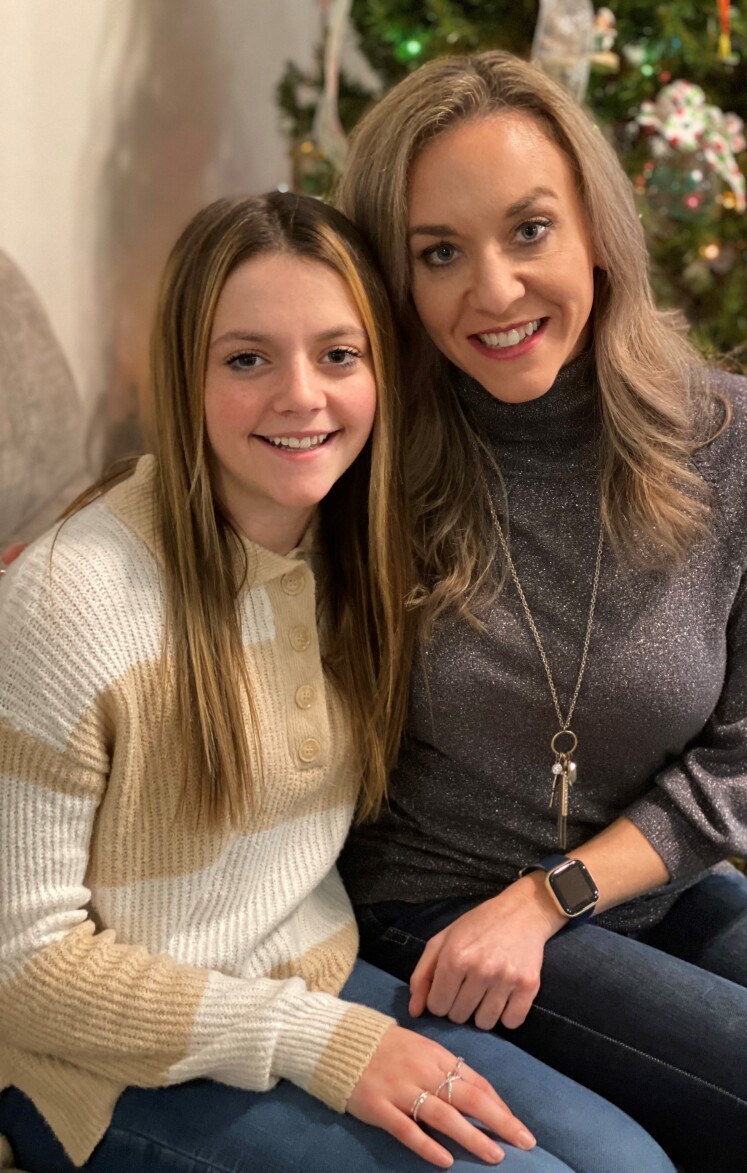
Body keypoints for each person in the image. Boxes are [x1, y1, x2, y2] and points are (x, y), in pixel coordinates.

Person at [0, 192, 677, 1173]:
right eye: (246, 359)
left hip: (312, 981)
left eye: (337, 355)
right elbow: (21, 968)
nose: (302, 397)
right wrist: (315, 1042)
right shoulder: (71, 600)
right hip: (102, 1064)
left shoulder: (351, 552)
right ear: (182, 375)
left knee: (630, 1166)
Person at [334, 50, 747, 1173]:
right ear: (394, 282)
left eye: (527, 230)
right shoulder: (367, 459)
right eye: (439, 253)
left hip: (644, 888)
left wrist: (551, 897)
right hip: (431, 902)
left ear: (593, 225)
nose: (492, 291)